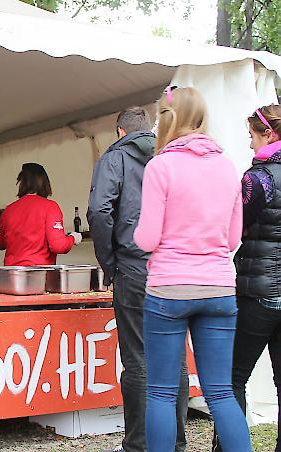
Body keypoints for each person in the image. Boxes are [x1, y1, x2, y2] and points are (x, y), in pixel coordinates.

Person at [134, 86, 251, 452]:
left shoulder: (160, 166)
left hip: (169, 290)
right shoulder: (227, 166)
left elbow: (147, 239)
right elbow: (233, 239)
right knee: (220, 393)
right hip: (218, 289)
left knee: (162, 394)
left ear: (168, 120)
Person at [87, 107, 188, 452]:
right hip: (175, 268)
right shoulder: (172, 155)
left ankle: (139, 445)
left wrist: (108, 263)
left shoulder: (115, 158)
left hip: (134, 267)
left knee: (138, 360)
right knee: (175, 360)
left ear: (119, 131)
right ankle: (175, 443)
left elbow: (99, 210)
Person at [213, 104, 281, 452]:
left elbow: (234, 227)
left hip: (259, 291)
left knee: (232, 378)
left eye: (252, 137)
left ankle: (229, 447)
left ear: (268, 134)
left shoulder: (258, 178)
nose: (250, 146)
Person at [0, 162, 82, 265]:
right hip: (39, 276)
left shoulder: (8, 210)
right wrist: (73, 238)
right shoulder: (50, 207)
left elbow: (1, 242)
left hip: (11, 276)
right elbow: (58, 246)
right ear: (45, 183)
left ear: (21, 183)